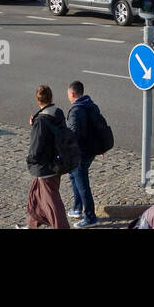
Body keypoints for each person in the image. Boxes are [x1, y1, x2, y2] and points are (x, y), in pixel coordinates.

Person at [23, 85, 70, 229]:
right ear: (51, 97)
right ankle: (32, 223)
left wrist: (31, 161)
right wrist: (36, 122)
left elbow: (36, 148)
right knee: (35, 194)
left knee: (52, 201)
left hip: (45, 166)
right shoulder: (58, 113)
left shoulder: (41, 121)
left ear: (38, 100)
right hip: (57, 161)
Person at [65, 81, 101, 228]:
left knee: (82, 184)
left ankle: (90, 217)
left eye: (68, 94)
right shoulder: (91, 105)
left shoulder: (75, 111)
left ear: (72, 94)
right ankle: (77, 208)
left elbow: (72, 134)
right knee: (74, 177)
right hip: (90, 151)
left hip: (80, 153)